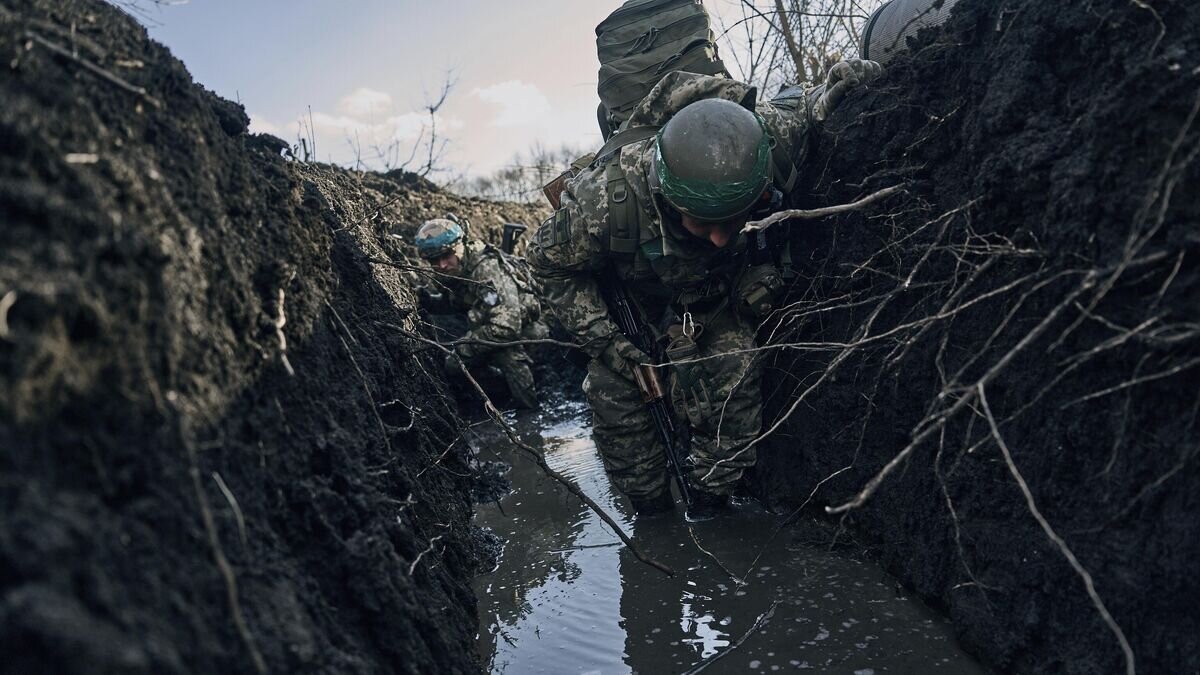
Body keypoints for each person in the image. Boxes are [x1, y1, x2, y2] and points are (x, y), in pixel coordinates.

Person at [528, 60, 882, 520]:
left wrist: (839, 86)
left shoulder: (767, 142)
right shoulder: (604, 204)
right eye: (702, 223)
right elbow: (546, 265)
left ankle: (711, 508)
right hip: (638, 312)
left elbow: (810, 105)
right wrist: (611, 344)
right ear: (665, 196)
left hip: (717, 302)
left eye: (732, 221)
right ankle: (652, 516)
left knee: (736, 382)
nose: (719, 238)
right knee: (616, 406)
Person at [414, 217, 546, 409]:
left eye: (447, 255)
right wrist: (429, 302)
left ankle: (530, 413)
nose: (441, 265)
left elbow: (507, 328)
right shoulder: (457, 269)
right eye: (434, 260)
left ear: (460, 246)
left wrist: (464, 347)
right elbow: (458, 303)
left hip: (532, 329)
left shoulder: (485, 270)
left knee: (506, 354)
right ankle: (501, 393)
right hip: (496, 326)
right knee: (455, 365)